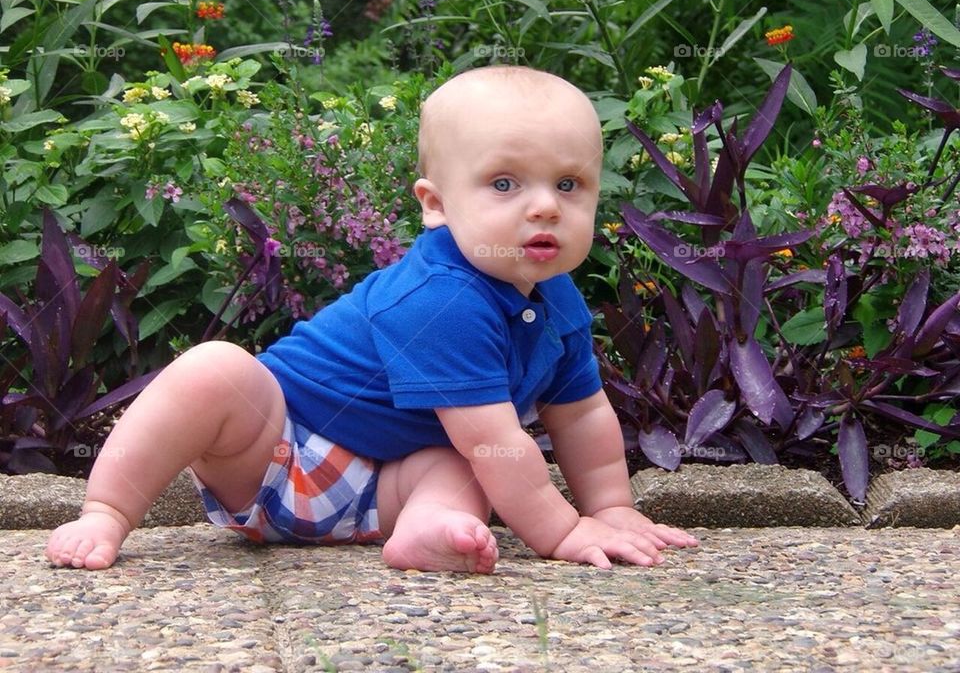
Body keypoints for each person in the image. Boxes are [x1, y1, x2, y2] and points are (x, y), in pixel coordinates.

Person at [45, 65, 698, 574]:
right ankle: (106, 510)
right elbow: (497, 438)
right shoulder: (442, 297)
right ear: (436, 204)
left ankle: (428, 530)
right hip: (276, 450)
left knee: (469, 459)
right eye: (504, 184)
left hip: (381, 491)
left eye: (568, 185)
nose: (544, 207)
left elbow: (581, 415)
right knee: (216, 371)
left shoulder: (558, 300)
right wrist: (562, 531)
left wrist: (611, 508)